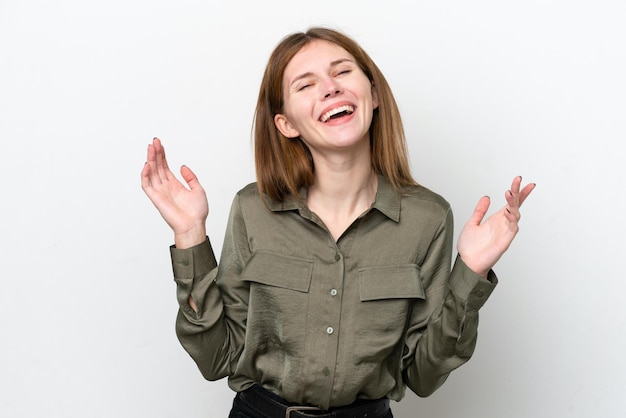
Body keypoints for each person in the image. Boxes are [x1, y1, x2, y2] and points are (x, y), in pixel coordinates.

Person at [141, 27, 535, 418]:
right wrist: (189, 235)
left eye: (343, 72)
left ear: (373, 94)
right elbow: (217, 358)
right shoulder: (252, 208)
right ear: (286, 124)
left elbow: (424, 376)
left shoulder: (428, 218)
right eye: (306, 84)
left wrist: (471, 272)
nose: (330, 88)